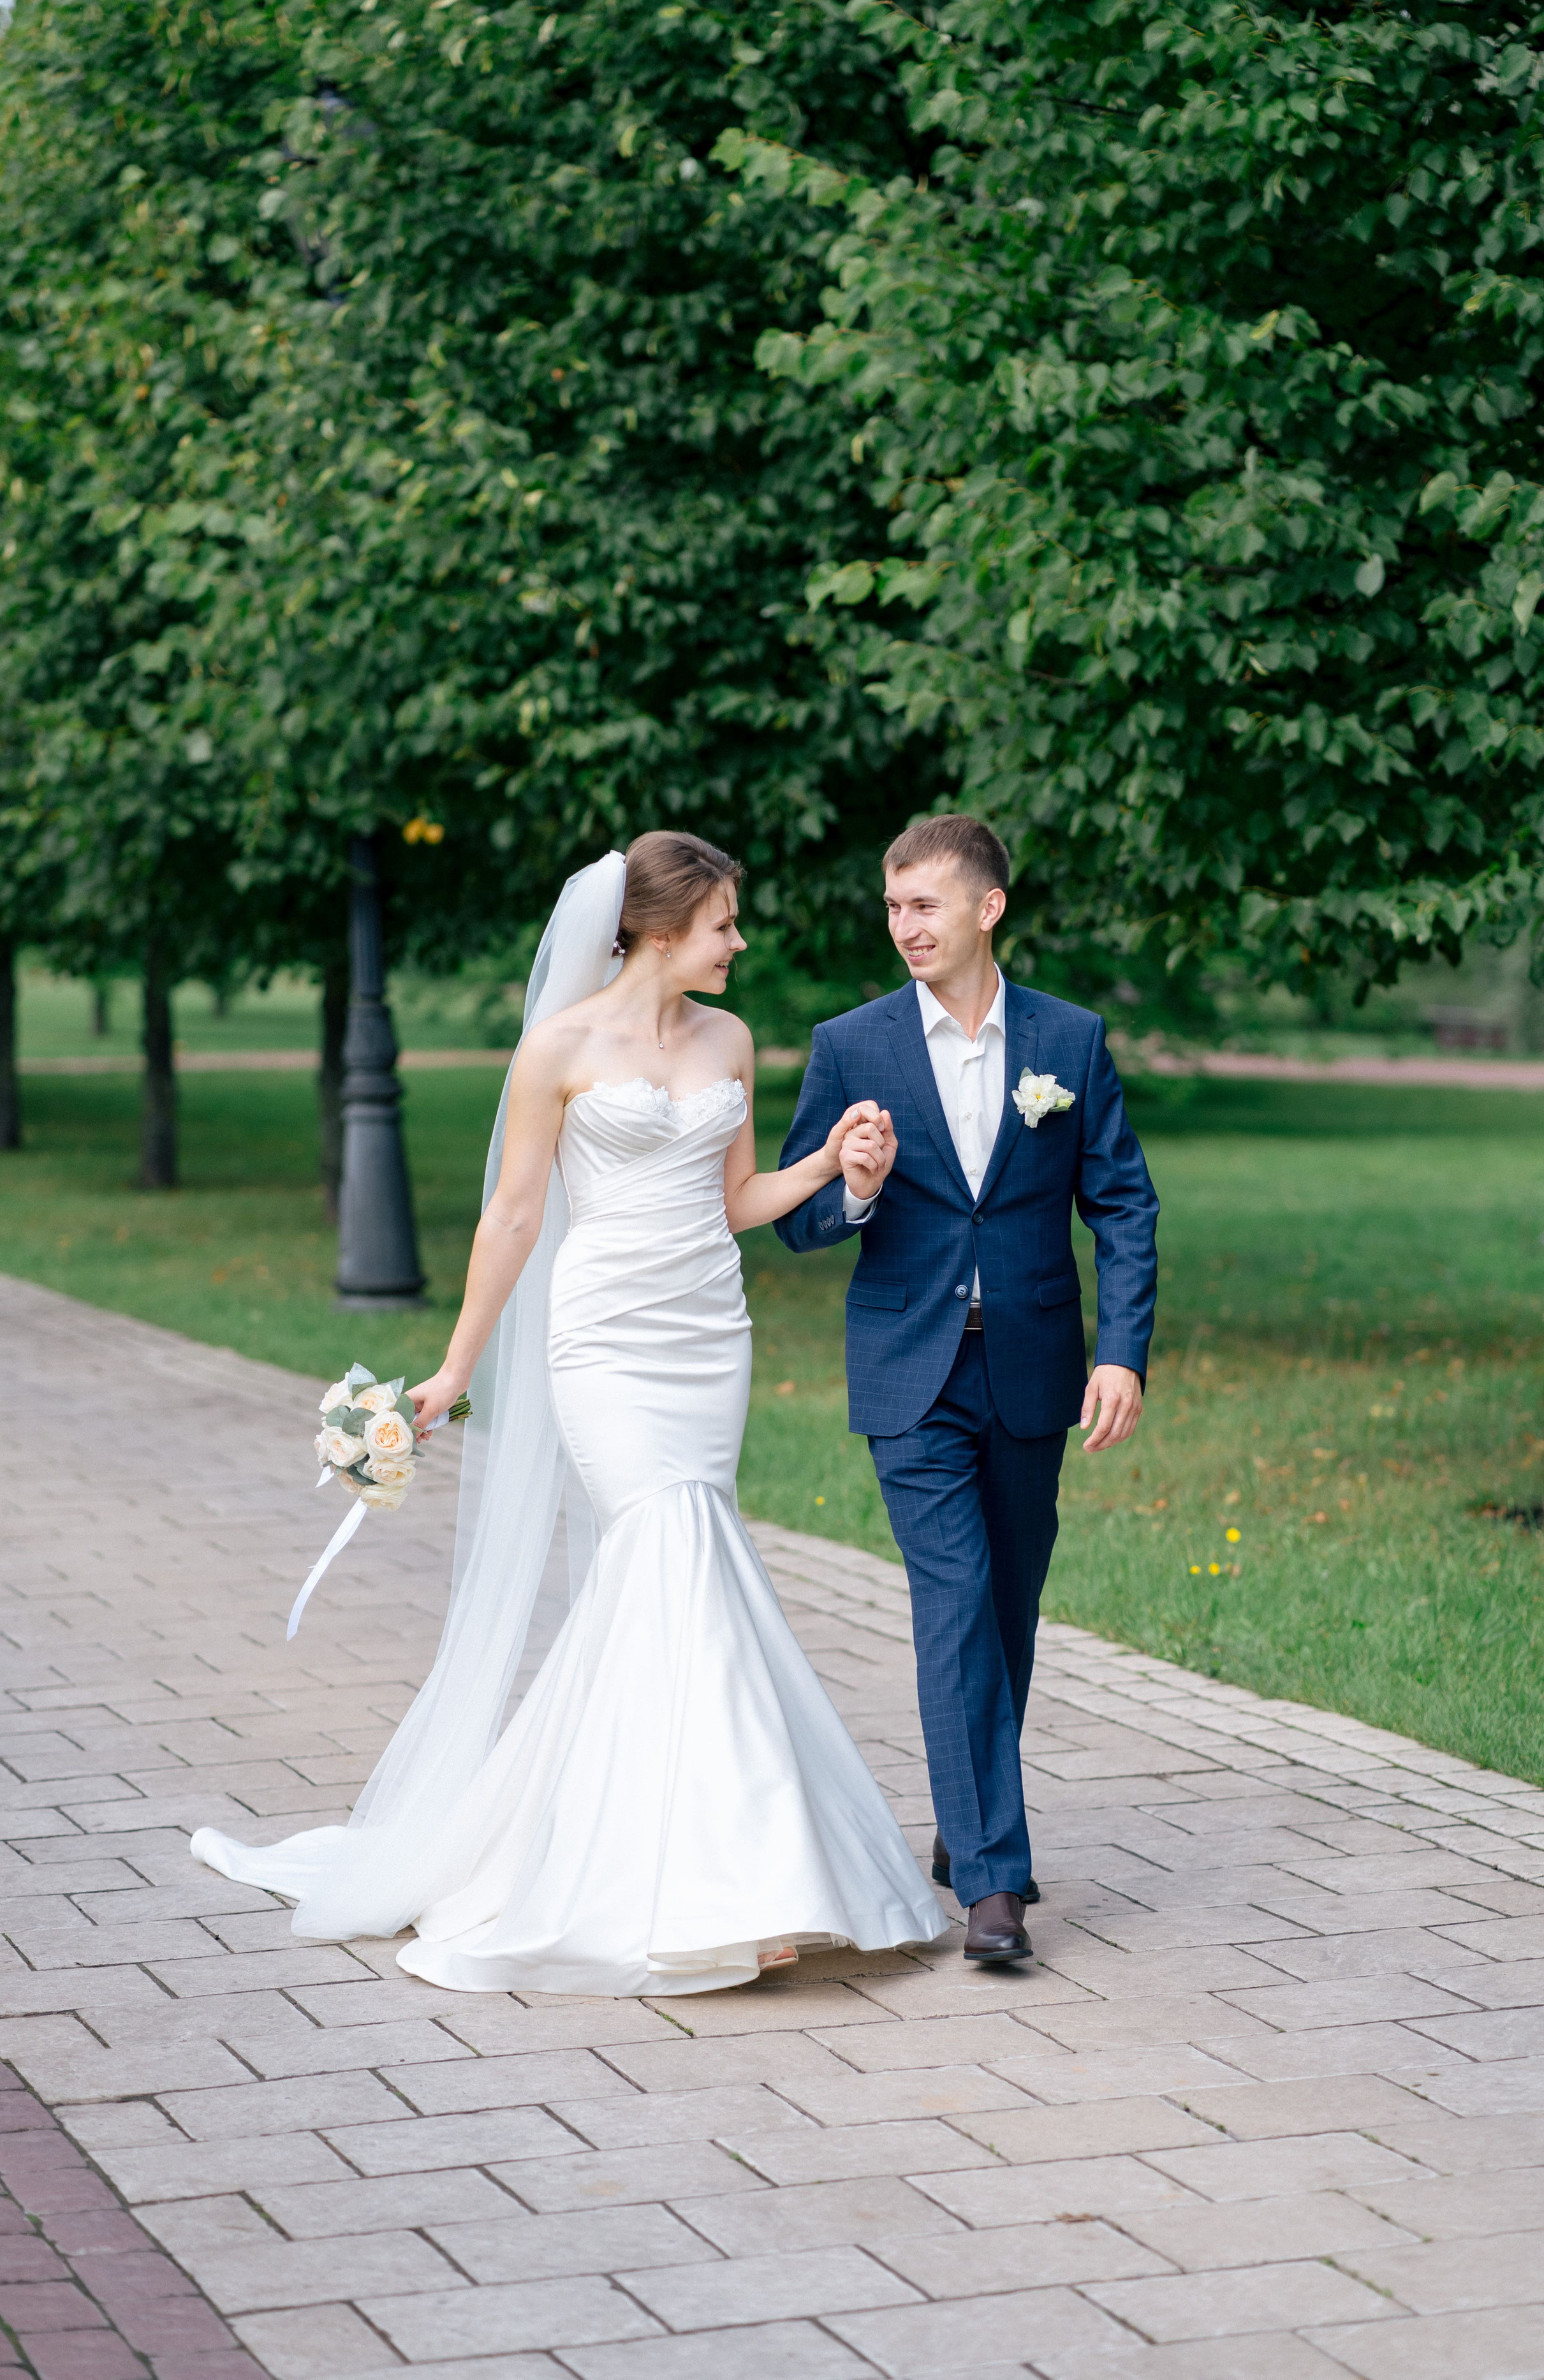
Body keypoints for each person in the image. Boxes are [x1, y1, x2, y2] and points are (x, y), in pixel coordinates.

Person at [192, 835, 945, 1995]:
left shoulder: (732, 1040)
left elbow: (740, 1196)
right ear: (657, 928)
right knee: (671, 1552)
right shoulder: (559, 1048)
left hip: (707, 1336)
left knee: (685, 1563)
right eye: (723, 923)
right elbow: (512, 1219)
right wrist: (454, 1369)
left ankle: (714, 1860)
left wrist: (842, 1169)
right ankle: (720, 1876)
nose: (740, 942)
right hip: (604, 1341)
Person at [776, 816, 1159, 1964]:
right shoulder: (852, 1045)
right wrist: (851, 1185)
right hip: (911, 1372)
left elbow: (1125, 1205)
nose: (906, 929)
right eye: (894, 909)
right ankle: (996, 1883)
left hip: (1033, 1365)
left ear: (988, 908)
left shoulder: (1070, 1042)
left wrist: (1121, 1351)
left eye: (926, 907)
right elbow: (794, 1218)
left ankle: (964, 1817)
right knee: (953, 1605)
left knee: (1008, 1608)